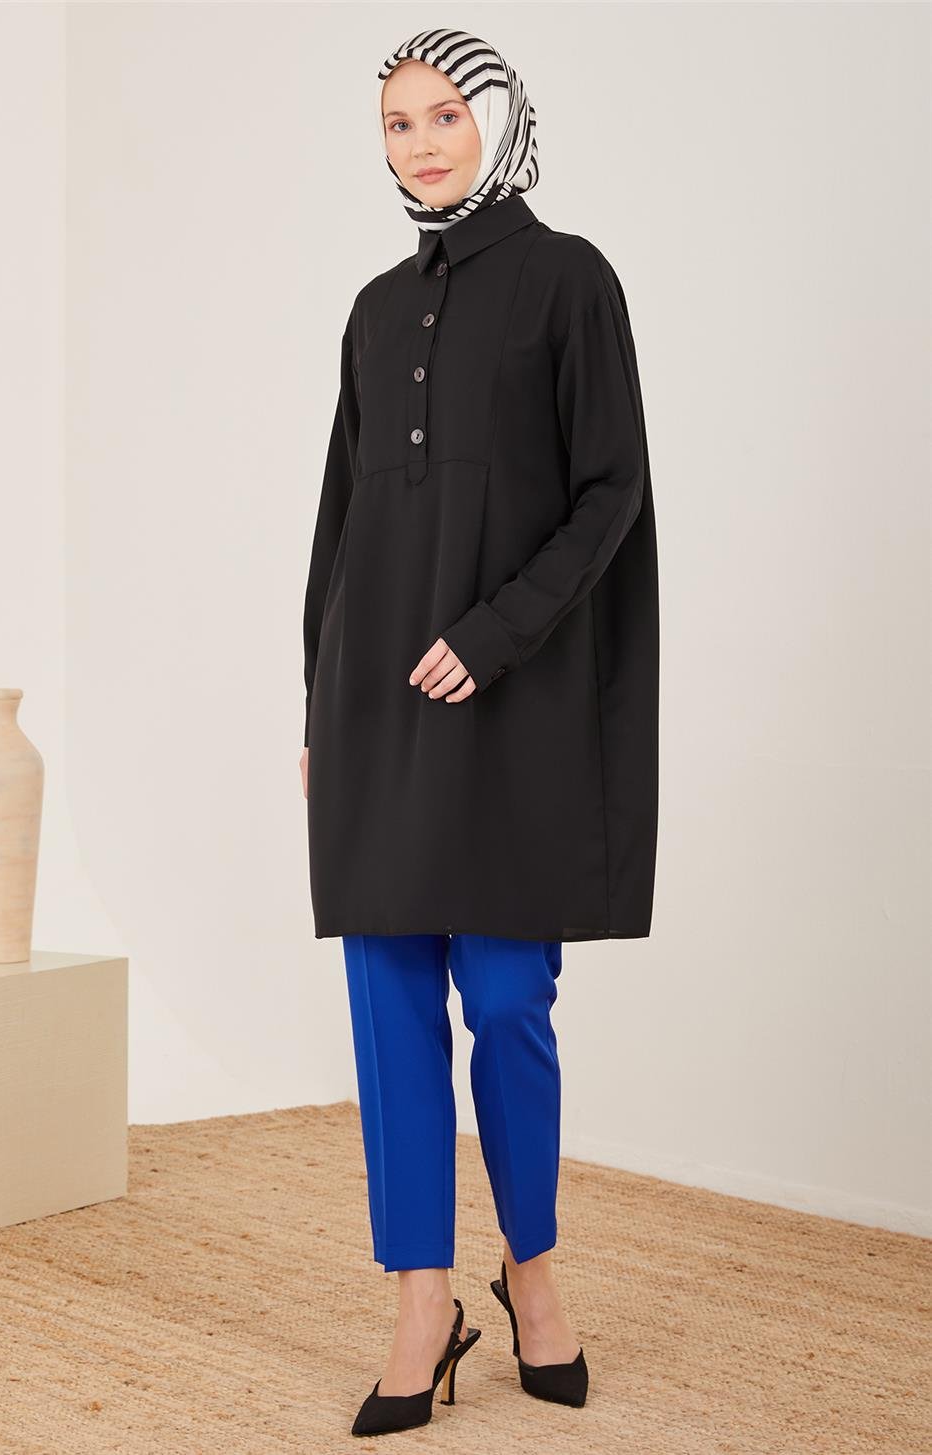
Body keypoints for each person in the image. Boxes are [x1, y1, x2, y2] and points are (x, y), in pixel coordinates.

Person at [300, 26, 659, 1438]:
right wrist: (315, 704)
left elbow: (610, 493)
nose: (421, 143)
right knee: (389, 1014)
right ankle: (419, 1303)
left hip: (516, 707)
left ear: (500, 120)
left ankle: (533, 1273)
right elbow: (338, 525)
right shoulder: (376, 309)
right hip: (374, 710)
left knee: (508, 1004)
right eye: (396, 124)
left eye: (445, 114)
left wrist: (495, 634)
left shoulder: (571, 280)